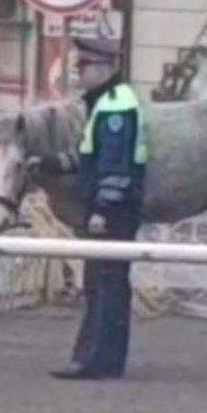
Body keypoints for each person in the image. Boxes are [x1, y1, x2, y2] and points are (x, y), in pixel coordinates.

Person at [30, 38, 148, 380]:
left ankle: (95, 360)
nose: (79, 74)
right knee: (105, 283)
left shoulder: (114, 106)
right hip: (114, 209)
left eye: (83, 67)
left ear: (103, 67)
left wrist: (100, 212)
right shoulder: (106, 103)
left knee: (104, 284)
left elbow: (114, 166)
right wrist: (50, 162)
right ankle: (102, 359)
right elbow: (89, 160)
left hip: (112, 213)